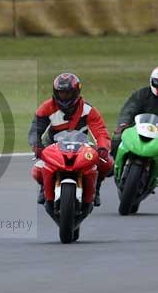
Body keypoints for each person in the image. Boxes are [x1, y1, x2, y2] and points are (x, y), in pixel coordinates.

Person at [28, 72, 114, 211]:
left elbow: (101, 131)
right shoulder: (46, 107)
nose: (64, 97)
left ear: (76, 93)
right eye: (61, 93)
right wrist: (37, 146)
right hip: (53, 147)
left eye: (68, 93)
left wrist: (103, 147)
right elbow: (35, 130)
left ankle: (96, 188)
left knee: (107, 163)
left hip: (82, 146)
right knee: (37, 171)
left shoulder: (88, 110)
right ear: (56, 92)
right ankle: (45, 187)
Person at [111, 65, 158, 196]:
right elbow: (129, 109)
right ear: (151, 81)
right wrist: (123, 124)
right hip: (137, 132)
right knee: (117, 139)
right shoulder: (141, 94)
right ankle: (114, 164)